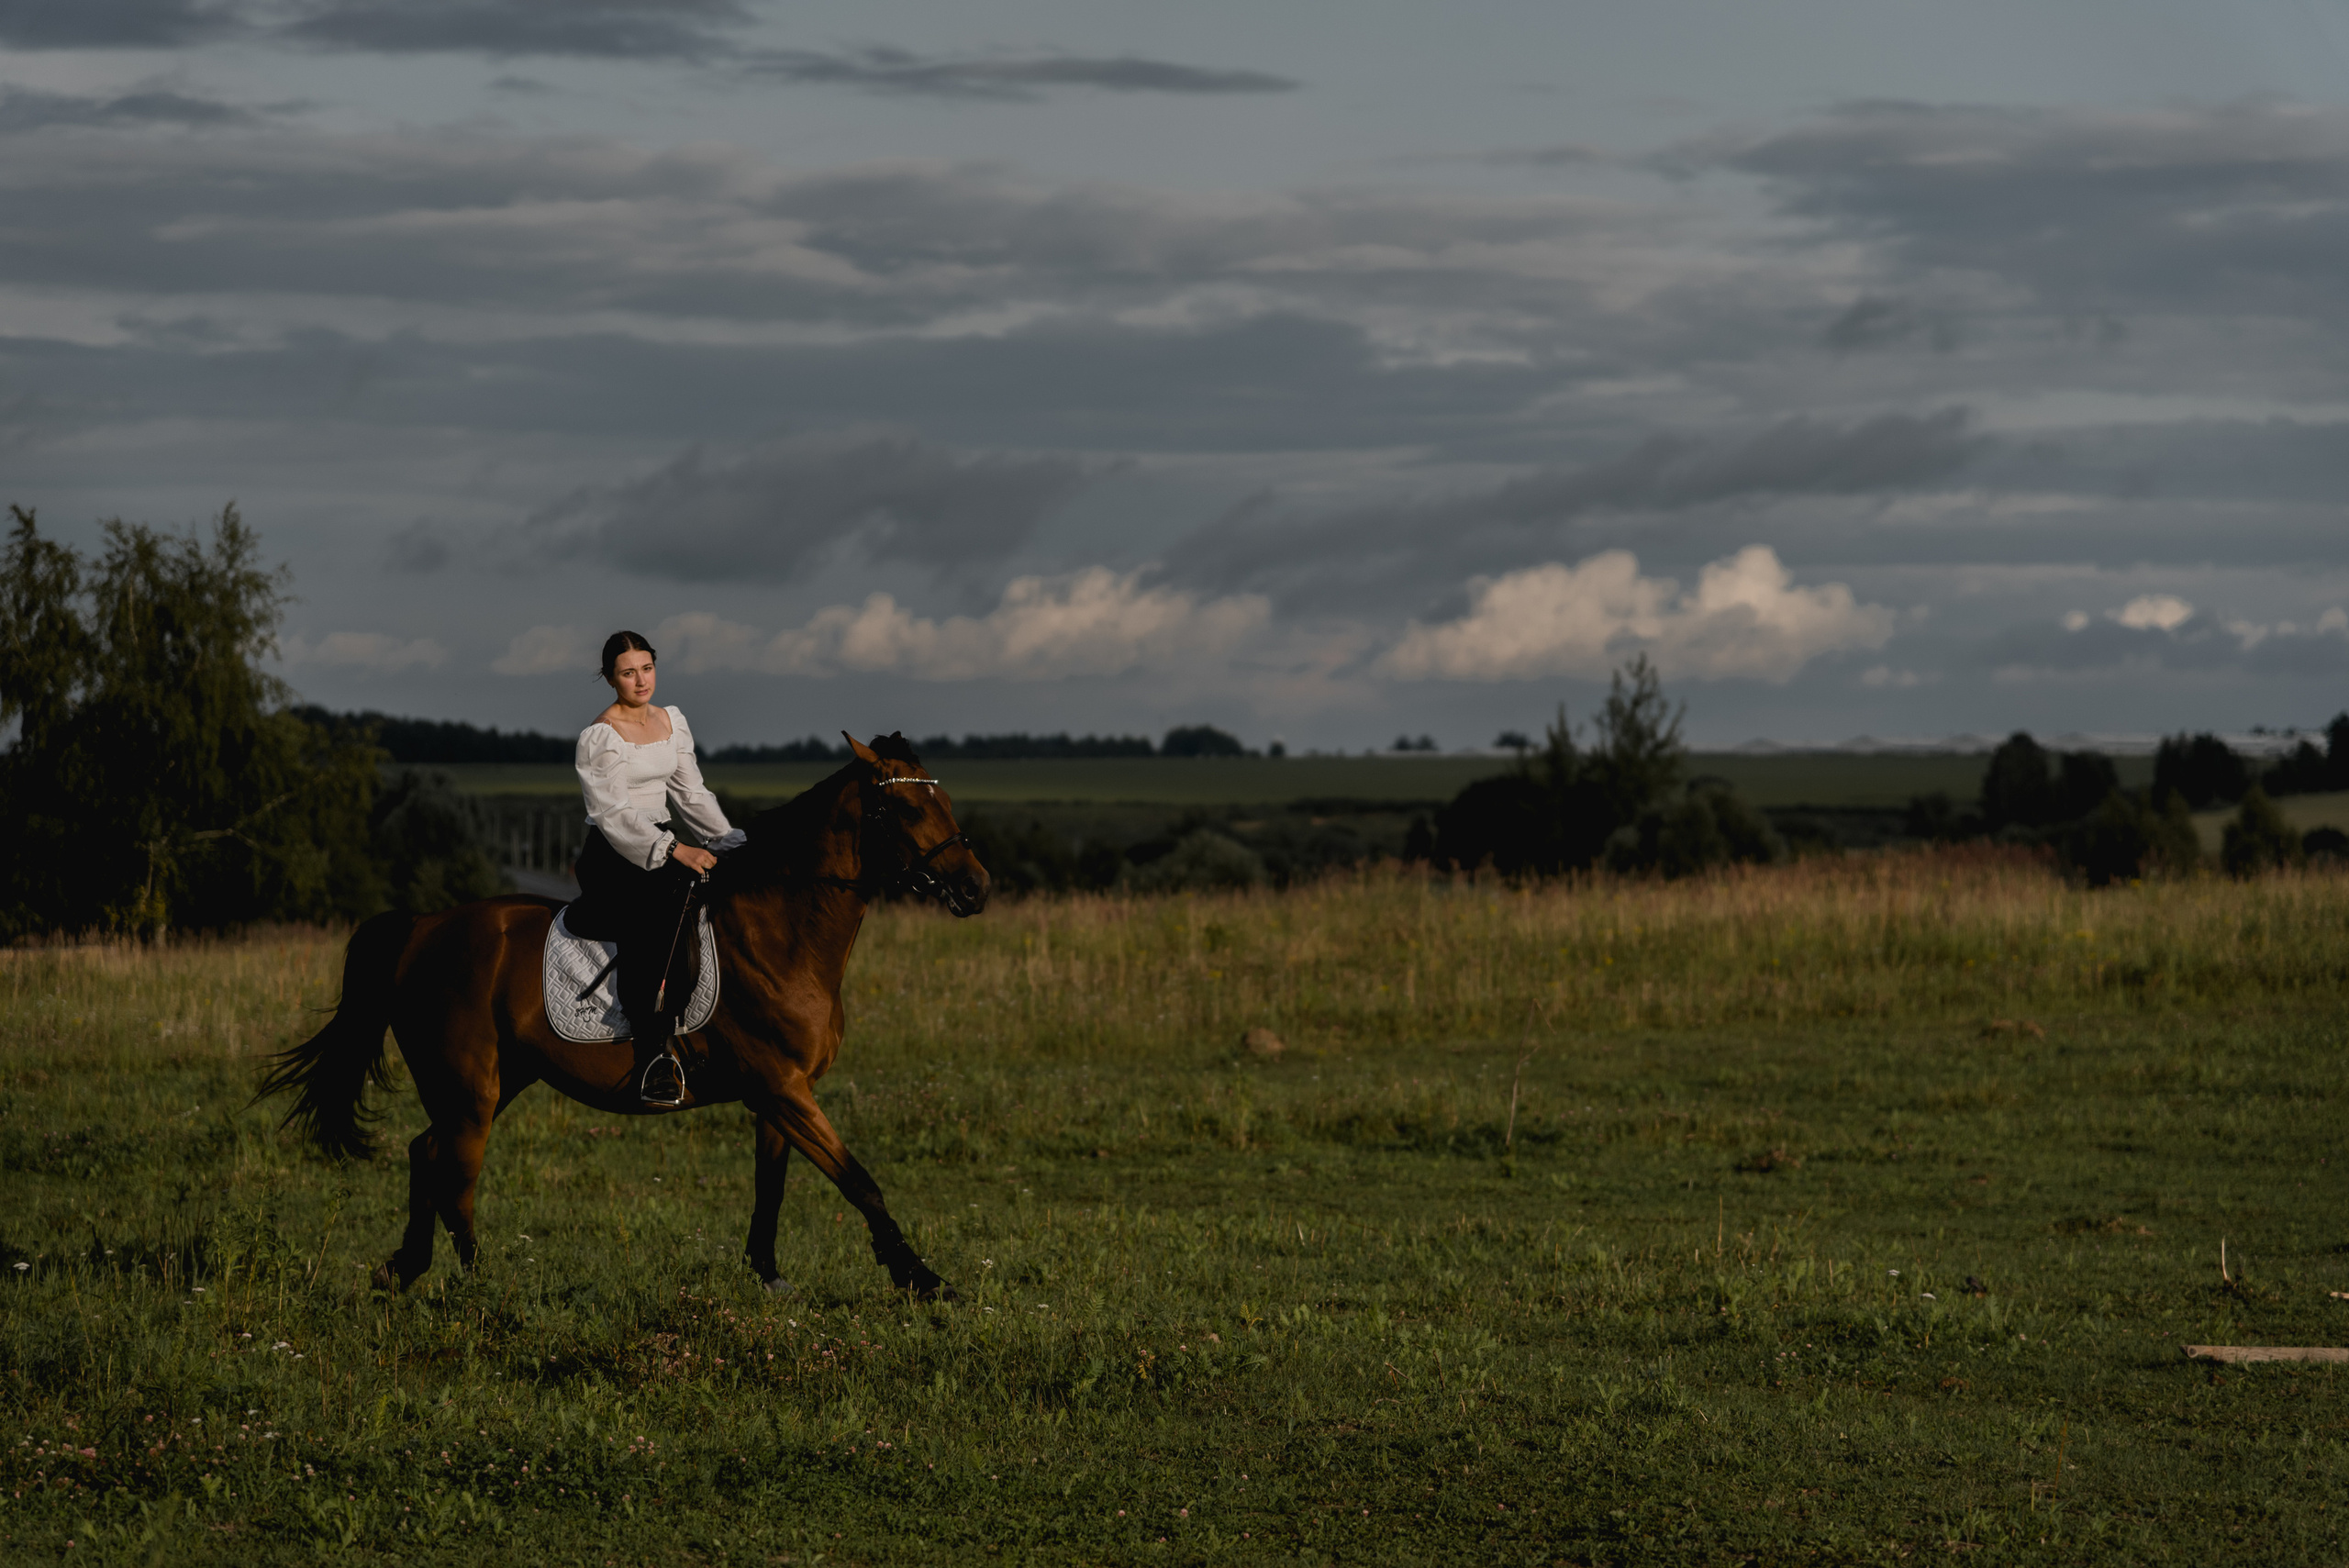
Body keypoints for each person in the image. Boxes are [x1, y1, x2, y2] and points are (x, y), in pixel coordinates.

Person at [570, 629, 743, 1106]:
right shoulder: (600, 737)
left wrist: (728, 840)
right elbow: (613, 815)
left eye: (646, 668)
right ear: (610, 678)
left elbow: (690, 794)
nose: (640, 680)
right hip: (616, 851)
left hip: (665, 837)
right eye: (628, 672)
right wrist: (674, 851)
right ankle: (655, 1055)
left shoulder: (672, 721)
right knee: (658, 915)